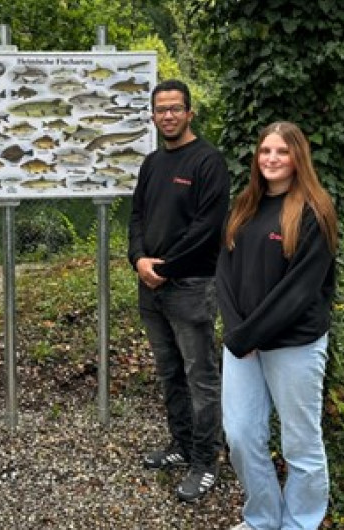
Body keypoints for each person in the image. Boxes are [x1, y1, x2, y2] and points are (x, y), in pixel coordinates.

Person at [216, 121, 338, 530]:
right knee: (240, 436)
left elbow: (299, 291)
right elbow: (225, 272)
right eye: (265, 150)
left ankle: (300, 523)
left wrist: (251, 335)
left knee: (300, 443)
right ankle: (262, 520)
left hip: (294, 346)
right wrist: (238, 333)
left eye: (282, 151)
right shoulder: (245, 206)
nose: (271, 158)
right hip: (242, 346)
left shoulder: (314, 212)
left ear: (298, 157)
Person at [128, 79, 230, 502]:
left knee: (200, 376)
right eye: (161, 109)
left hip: (191, 287)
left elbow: (207, 229)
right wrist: (138, 259)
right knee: (170, 372)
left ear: (190, 113)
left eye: (175, 108)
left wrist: (166, 269)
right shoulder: (152, 163)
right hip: (151, 286)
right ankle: (182, 445)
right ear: (152, 116)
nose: (167, 115)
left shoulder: (208, 162)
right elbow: (136, 216)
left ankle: (206, 461)